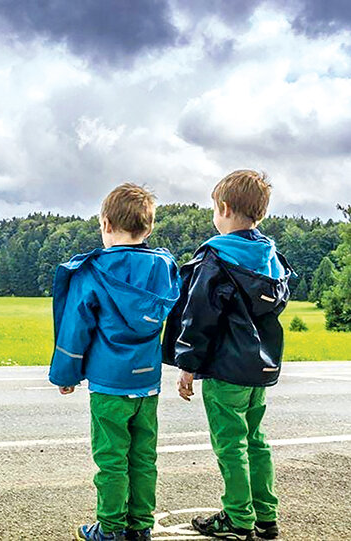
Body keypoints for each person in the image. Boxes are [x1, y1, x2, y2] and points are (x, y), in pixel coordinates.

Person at [163, 170, 292, 541]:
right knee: (256, 440)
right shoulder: (271, 258)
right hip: (259, 367)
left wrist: (187, 365)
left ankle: (237, 518)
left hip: (224, 369)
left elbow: (199, 315)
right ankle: (266, 515)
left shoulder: (216, 257)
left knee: (230, 444)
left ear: (223, 207)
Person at [49, 183, 181, 541]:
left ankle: (109, 528)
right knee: (143, 457)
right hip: (148, 383)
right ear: (148, 229)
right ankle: (140, 526)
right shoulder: (163, 269)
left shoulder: (92, 272)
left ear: (105, 224)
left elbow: (76, 327)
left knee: (111, 460)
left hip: (109, 385)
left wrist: (66, 374)